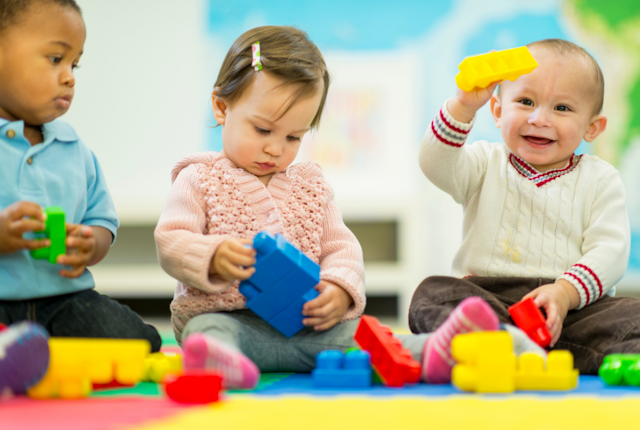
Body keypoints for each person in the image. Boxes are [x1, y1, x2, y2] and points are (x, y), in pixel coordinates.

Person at [155, 26, 506, 388]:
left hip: (306, 328)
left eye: (293, 137)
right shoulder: (198, 178)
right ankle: (217, 361)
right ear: (221, 107)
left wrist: (339, 288)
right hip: (227, 319)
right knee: (206, 331)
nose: (276, 148)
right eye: (262, 130)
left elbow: (341, 246)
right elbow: (171, 240)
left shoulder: (311, 185)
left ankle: (433, 351)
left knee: (363, 337)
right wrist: (210, 256)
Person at [410, 38, 640, 374]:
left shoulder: (600, 179)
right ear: (498, 111)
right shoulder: (485, 162)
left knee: (631, 315)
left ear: (592, 127)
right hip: (491, 299)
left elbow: (610, 252)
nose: (539, 118)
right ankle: (499, 341)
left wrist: (564, 293)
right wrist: (462, 107)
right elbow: (435, 164)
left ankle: (514, 350)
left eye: (561, 108)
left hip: (571, 309)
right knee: (431, 294)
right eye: (526, 101)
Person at [0, 0, 161, 352]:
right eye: (56, 59)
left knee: (136, 340)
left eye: (75, 64)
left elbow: (101, 220)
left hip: (64, 300)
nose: (70, 76)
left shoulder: (75, 149)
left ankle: (26, 355)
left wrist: (90, 244)